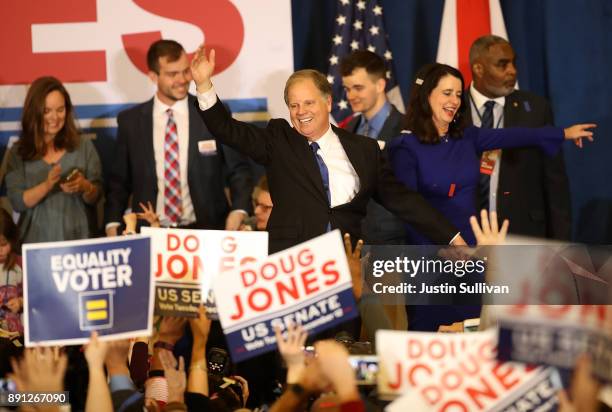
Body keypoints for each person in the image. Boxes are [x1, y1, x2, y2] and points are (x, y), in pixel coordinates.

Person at [191, 46, 465, 254]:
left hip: (348, 268)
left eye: (308, 103)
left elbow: (403, 200)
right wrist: (203, 84)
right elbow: (227, 129)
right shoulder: (278, 141)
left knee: (345, 333)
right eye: (294, 106)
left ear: (328, 102)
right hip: (293, 266)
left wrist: (451, 236)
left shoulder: (365, 149)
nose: (301, 112)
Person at [388, 62, 594, 246]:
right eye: (447, 93)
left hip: (473, 249)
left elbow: (517, 135)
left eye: (459, 94)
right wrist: (440, 250)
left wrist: (563, 133)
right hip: (432, 254)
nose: (455, 101)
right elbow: (411, 213)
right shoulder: (405, 147)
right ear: (426, 95)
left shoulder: (467, 136)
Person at [105, 39, 253, 235]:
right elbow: (119, 182)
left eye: (185, 71)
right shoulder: (130, 122)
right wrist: (112, 223)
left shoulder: (211, 112)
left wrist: (239, 209)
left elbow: (238, 170)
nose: (182, 79)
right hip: (150, 233)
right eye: (172, 74)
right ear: (152, 76)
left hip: (208, 230)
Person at [468, 35, 572, 240]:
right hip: (463, 233)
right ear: (478, 69)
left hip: (524, 232)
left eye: (514, 63)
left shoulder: (535, 108)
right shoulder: (453, 108)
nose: (512, 71)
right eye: (502, 64)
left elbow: (555, 183)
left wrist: (562, 246)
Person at [5, 76, 102, 243]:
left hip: (80, 244)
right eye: (46, 111)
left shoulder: (83, 146)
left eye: (60, 109)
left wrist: (85, 186)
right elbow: (17, 202)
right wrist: (47, 185)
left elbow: (97, 195)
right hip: (35, 248)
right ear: (34, 112)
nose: (55, 118)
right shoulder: (19, 153)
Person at [340, 50, 406, 244]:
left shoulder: (406, 129)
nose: (351, 95)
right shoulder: (349, 129)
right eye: (347, 88)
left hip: (393, 243)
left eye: (358, 88)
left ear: (380, 85)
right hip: (352, 241)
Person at [0, 209, 22, 336]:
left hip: (15, 335)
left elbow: (36, 296)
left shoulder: (20, 264)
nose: (0, 250)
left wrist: (21, 302)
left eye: (3, 244)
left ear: (12, 241)